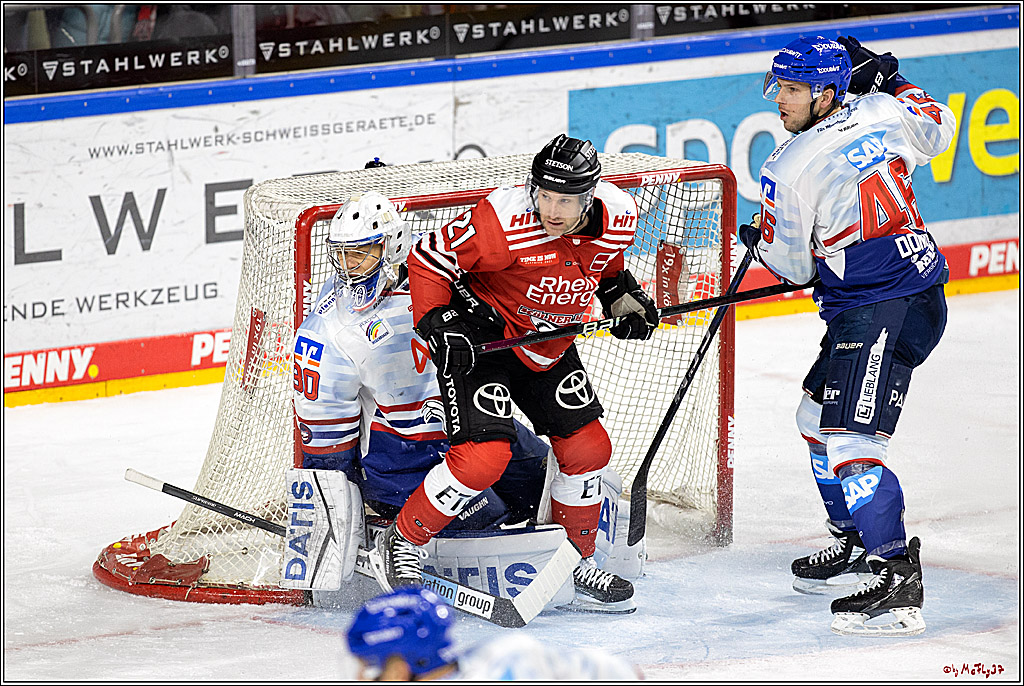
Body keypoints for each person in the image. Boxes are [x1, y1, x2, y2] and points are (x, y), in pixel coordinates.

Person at [371, 134, 660, 612]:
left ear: (590, 195)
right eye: (545, 195)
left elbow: (605, 268)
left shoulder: (621, 214)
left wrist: (621, 297)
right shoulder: (502, 219)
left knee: (589, 449)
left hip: (548, 345)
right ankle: (404, 540)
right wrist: (440, 324)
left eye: (565, 200)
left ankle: (574, 560)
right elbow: (427, 261)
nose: (552, 208)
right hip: (485, 345)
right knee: (483, 459)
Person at [742, 35, 953, 636]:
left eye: (792, 89)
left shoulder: (787, 166)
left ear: (828, 92)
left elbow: (794, 269)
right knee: (815, 419)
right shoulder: (883, 109)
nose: (780, 100)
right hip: (912, 291)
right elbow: (938, 127)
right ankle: (857, 537)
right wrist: (893, 79)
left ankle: (896, 575)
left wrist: (761, 237)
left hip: (880, 306)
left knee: (851, 444)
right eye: (778, 87)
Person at [292, 179, 549, 540]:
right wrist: (335, 517)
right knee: (493, 523)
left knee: (547, 482)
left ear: (393, 246)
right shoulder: (328, 330)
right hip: (405, 459)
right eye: (342, 254)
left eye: (360, 253)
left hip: (477, 422)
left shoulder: (438, 264)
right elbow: (327, 445)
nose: (348, 267)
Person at [346, 586, 643, 680]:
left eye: (370, 669)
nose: (363, 678)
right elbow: (629, 673)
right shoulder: (508, 651)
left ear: (398, 669)